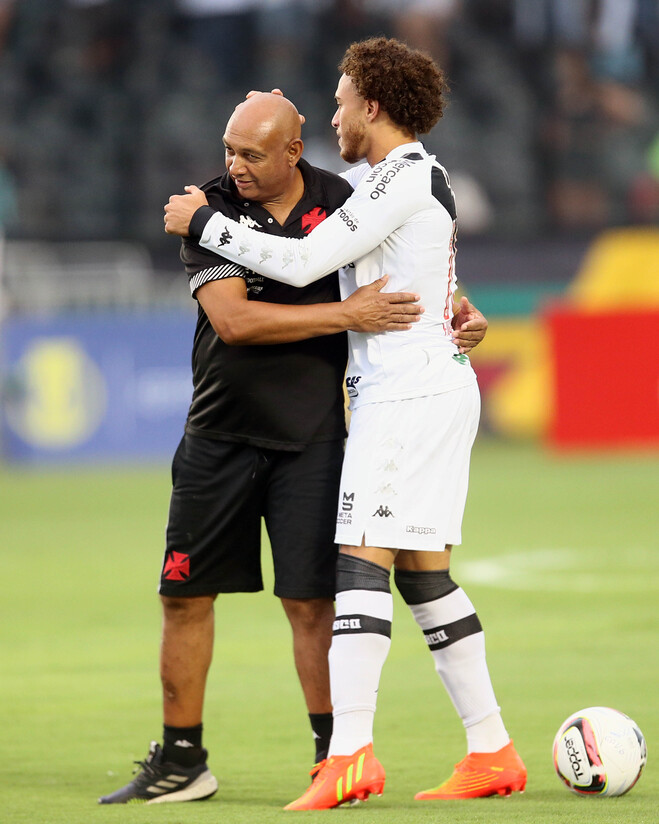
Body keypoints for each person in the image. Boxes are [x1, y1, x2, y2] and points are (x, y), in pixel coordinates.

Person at [164, 36, 526, 810]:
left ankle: (349, 756)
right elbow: (413, 262)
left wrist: (203, 223)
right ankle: (491, 749)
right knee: (423, 576)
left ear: (371, 106)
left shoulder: (399, 177)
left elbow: (301, 262)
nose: (331, 116)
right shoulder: (393, 178)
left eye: (338, 102)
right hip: (422, 386)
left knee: (359, 565)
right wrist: (453, 306)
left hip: (405, 396)